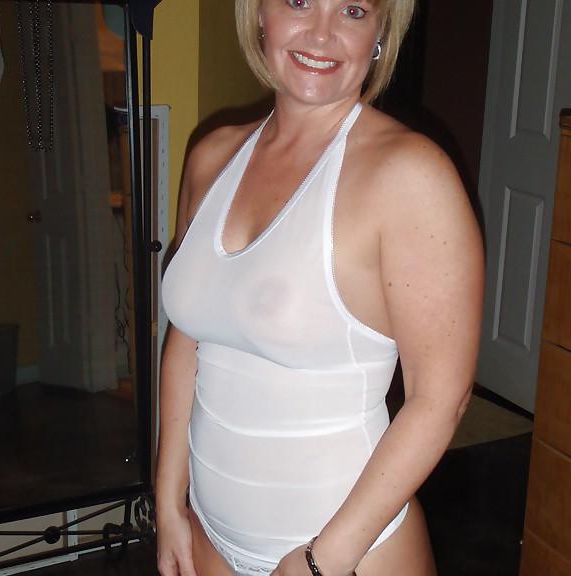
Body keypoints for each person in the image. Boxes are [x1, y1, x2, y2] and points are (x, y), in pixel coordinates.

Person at [156, 0, 484, 574]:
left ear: (380, 34)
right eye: (300, 1)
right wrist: (167, 501)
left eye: (353, 10)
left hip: (346, 552)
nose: (322, 33)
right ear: (259, 13)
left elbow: (440, 399)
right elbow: (188, 340)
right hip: (209, 536)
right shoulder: (210, 155)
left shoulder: (411, 175)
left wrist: (321, 560)